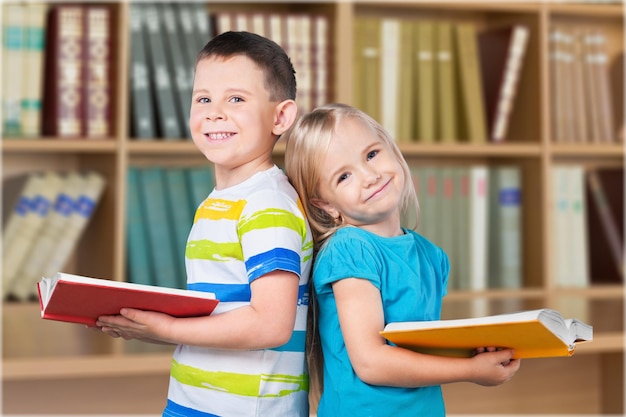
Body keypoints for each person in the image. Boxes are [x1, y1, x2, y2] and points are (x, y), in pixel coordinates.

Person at [96, 31, 313, 417]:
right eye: (203, 98)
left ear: (280, 116)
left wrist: (163, 330)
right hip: (195, 401)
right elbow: (225, 310)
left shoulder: (268, 205)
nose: (215, 112)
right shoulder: (221, 201)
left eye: (236, 99)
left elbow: (271, 325)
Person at [283, 103, 520, 417]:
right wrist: (470, 370)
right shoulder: (350, 249)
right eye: (344, 176)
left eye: (371, 154)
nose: (370, 175)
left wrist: (481, 353)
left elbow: (418, 348)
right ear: (326, 204)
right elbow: (371, 362)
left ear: (391, 148)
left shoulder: (432, 256)